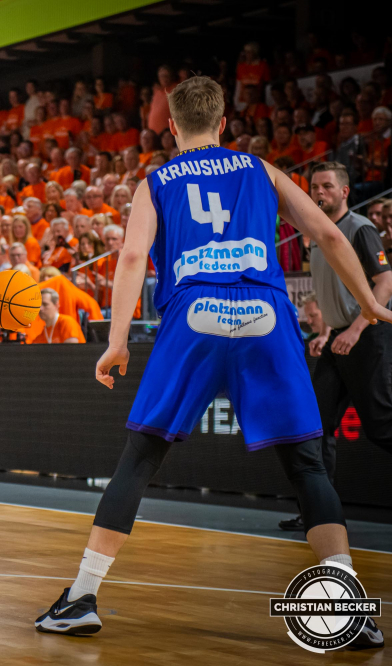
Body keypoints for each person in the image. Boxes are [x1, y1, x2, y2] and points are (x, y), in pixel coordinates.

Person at [35, 77, 389, 650]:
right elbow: (326, 232)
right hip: (265, 312)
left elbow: (132, 256)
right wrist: (369, 302)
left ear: (172, 127)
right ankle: (348, 610)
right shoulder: (261, 169)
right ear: (224, 123)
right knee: (307, 465)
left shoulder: (156, 181)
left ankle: (81, 598)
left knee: (141, 457)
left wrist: (117, 340)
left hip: (193, 312)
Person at [277, 163, 392, 535]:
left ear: (345, 192)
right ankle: (319, 512)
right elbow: (332, 291)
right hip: (338, 338)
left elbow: (385, 282)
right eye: (314, 186)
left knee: (381, 426)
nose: (318, 192)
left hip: (366, 336)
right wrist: (326, 331)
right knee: (314, 426)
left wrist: (355, 330)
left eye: (326, 186)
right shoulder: (317, 232)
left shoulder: (359, 228)